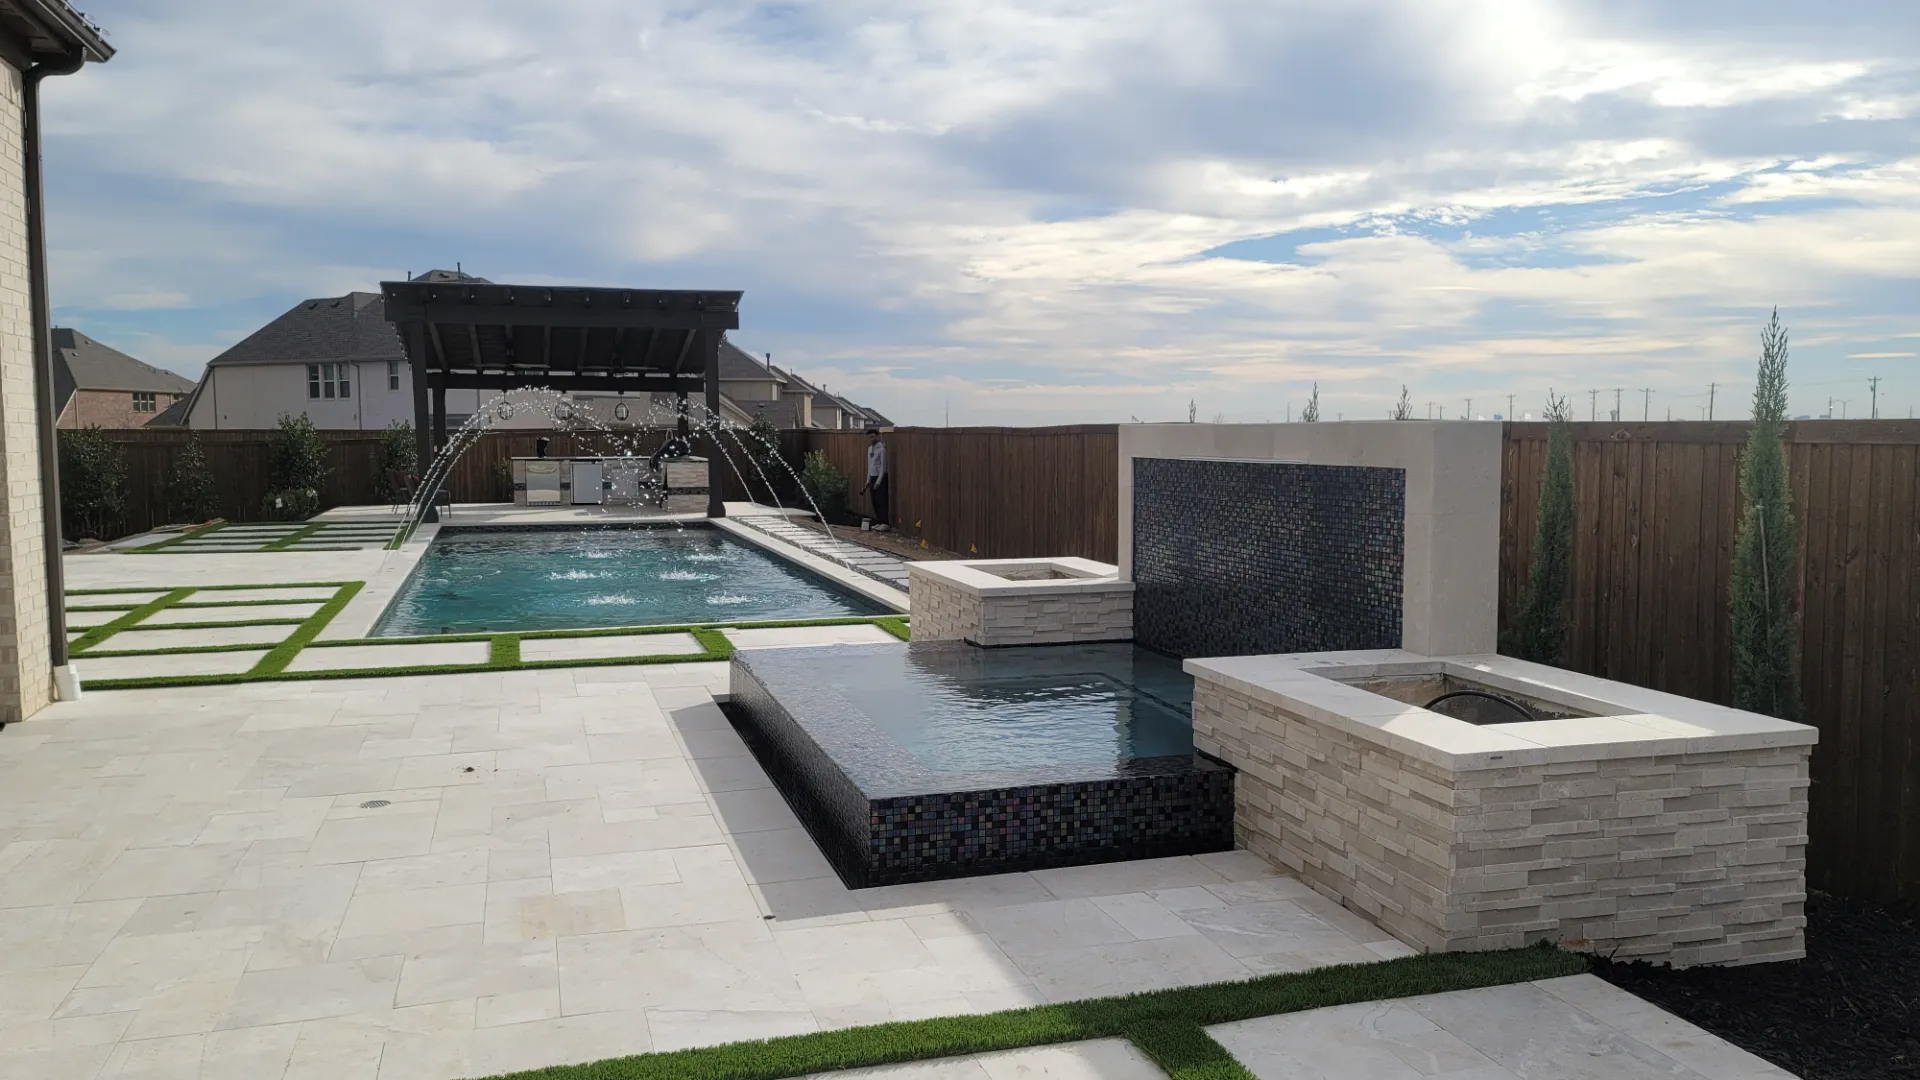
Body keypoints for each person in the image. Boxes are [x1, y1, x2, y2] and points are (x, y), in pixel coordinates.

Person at [862, 428, 890, 532]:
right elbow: (870, 466)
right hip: (872, 476)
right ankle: (879, 521)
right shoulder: (869, 449)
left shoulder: (882, 449)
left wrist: (878, 482)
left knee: (881, 500)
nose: (871, 439)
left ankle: (885, 523)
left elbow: (883, 467)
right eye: (869, 437)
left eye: (873, 437)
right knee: (875, 501)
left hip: (880, 477)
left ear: (877, 436)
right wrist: (868, 481)